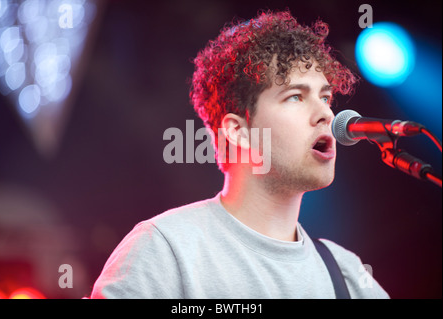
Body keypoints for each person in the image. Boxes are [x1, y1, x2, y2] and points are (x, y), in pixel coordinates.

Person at [91, 9, 389, 299]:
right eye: (295, 96)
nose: (326, 112)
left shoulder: (348, 275)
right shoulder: (164, 250)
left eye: (325, 97)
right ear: (238, 131)